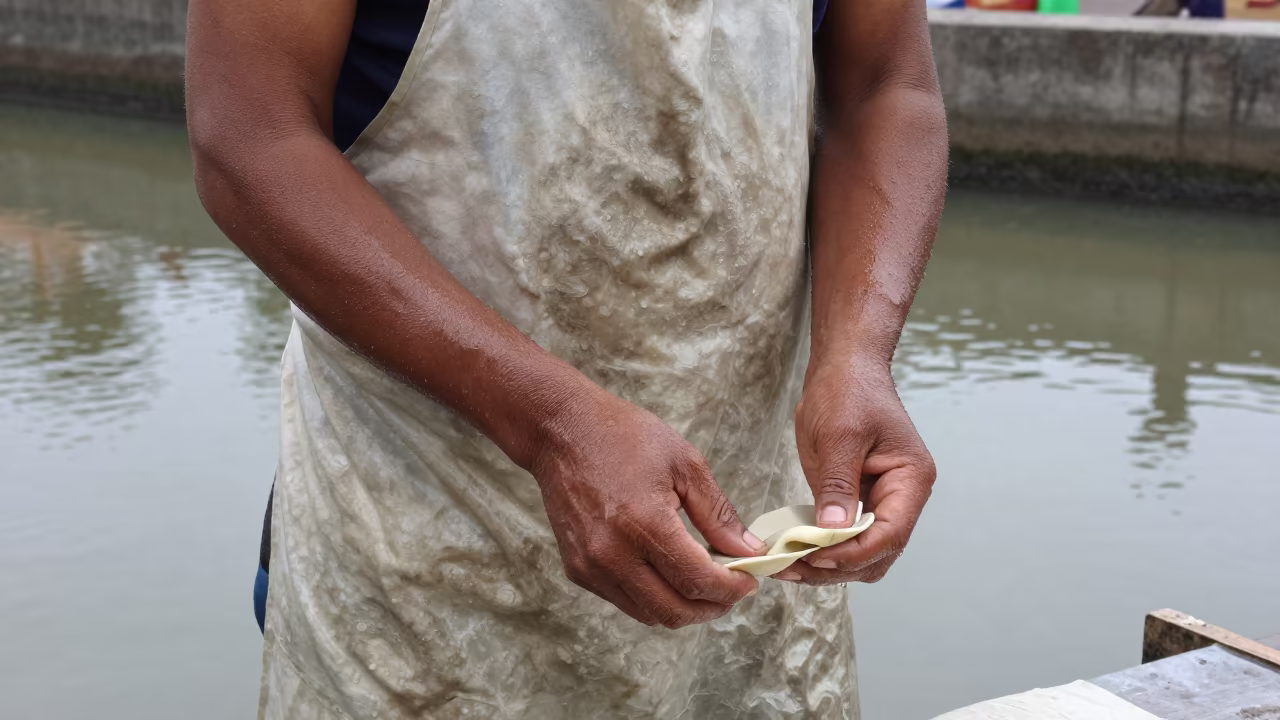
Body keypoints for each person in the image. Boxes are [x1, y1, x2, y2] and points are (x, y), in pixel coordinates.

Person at [186, 0, 947, 715]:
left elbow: (884, 87)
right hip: (430, 530)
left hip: (750, 531)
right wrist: (551, 420)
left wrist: (858, 353)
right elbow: (252, 135)